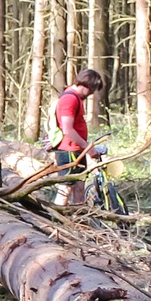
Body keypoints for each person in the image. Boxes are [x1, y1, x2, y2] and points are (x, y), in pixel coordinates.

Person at [49, 68, 106, 205]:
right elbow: (68, 129)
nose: (92, 93)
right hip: (68, 151)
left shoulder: (75, 98)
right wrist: (88, 148)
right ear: (86, 84)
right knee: (65, 188)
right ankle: (56, 220)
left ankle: (79, 221)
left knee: (79, 187)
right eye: (92, 89)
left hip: (77, 150)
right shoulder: (69, 99)